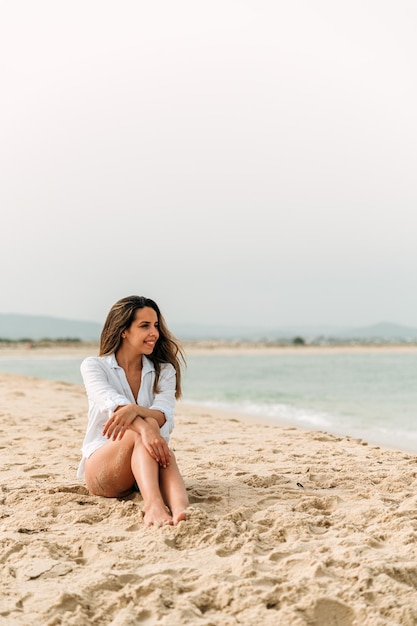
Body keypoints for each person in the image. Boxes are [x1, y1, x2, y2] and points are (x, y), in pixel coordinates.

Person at [77, 295, 189, 526]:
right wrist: (146, 428)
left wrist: (135, 410)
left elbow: (164, 413)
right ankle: (153, 506)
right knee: (144, 434)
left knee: (157, 443)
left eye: (156, 325)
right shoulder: (94, 366)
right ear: (123, 331)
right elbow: (114, 406)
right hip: (105, 469)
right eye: (145, 326)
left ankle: (181, 510)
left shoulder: (164, 370)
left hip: (149, 463)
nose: (155, 333)